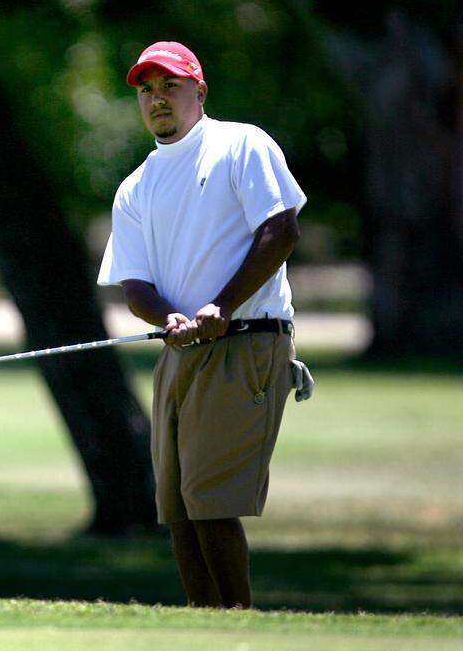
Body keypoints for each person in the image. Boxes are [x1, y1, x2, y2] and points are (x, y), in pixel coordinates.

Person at [97, 41, 307, 608]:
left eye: (170, 86)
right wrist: (170, 318)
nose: (157, 99)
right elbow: (134, 285)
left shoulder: (241, 145)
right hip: (182, 349)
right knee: (178, 505)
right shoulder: (136, 186)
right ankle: (204, 626)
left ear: (199, 90)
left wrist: (222, 305)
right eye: (147, 89)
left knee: (209, 496)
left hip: (248, 339)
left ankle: (238, 626)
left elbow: (279, 233)